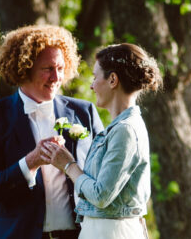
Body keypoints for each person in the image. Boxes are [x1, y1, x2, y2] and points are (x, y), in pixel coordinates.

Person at [0, 25, 104, 239]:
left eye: (60, 68)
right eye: (47, 69)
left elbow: (103, 177)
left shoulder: (84, 112)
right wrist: (29, 162)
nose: (56, 77)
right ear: (24, 68)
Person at [41, 43, 162, 239]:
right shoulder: (118, 128)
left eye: (95, 77)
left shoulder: (126, 130)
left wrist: (69, 165)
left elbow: (101, 195)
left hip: (112, 232)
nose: (92, 85)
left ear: (113, 79)